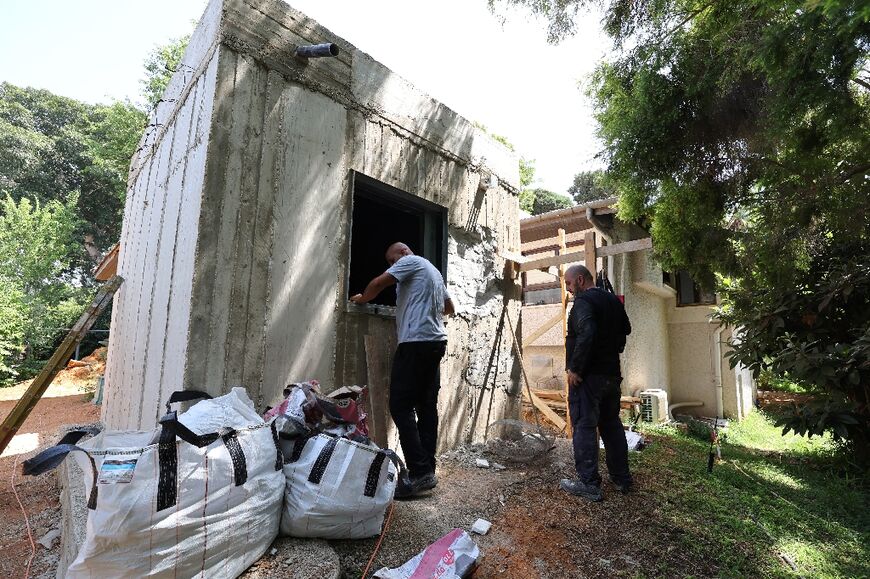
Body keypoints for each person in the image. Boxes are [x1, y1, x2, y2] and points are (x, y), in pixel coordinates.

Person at [350, 242, 454, 498]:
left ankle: (419, 472)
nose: (391, 265)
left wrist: (362, 299)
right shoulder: (434, 272)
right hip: (435, 342)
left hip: (416, 343)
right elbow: (449, 308)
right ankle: (427, 470)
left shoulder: (409, 261)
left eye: (391, 260)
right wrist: (421, 307)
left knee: (400, 405)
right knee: (426, 407)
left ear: (402, 253)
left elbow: (377, 284)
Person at [560, 264, 632, 502]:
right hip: (612, 375)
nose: (569, 290)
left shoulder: (583, 302)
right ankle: (622, 478)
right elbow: (626, 329)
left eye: (569, 284)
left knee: (584, 425)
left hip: (589, 378)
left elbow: (587, 332)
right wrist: (612, 351)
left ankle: (589, 483)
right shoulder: (611, 301)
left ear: (580, 280)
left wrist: (576, 369)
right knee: (611, 425)